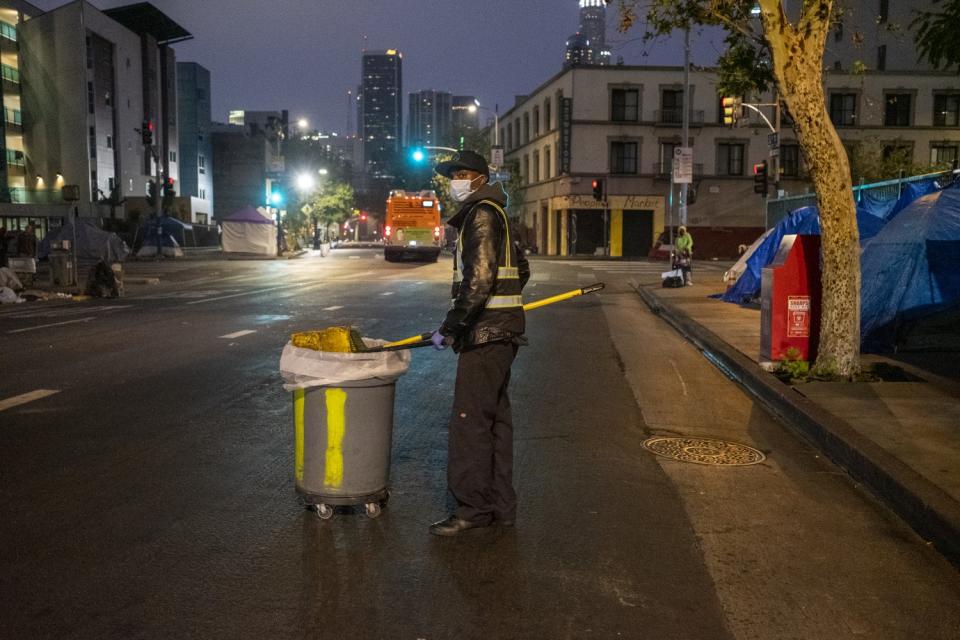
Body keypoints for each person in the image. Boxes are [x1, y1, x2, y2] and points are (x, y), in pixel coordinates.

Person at [428, 150, 530, 537]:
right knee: (495, 422)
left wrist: (451, 327)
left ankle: (472, 509)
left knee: (469, 423)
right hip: (501, 333)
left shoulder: (481, 215)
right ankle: (501, 506)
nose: (452, 180)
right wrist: (505, 307)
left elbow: (479, 280)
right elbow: (521, 269)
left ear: (477, 178)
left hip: (485, 335)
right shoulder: (498, 212)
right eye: (450, 174)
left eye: (458, 174)